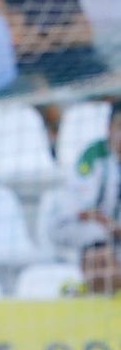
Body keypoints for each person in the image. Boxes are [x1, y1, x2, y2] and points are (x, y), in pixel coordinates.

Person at [53, 100, 121, 295]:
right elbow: (83, 211)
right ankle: (94, 289)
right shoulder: (93, 157)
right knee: (96, 235)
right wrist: (112, 227)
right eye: (120, 128)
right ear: (109, 129)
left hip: (114, 231)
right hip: (72, 225)